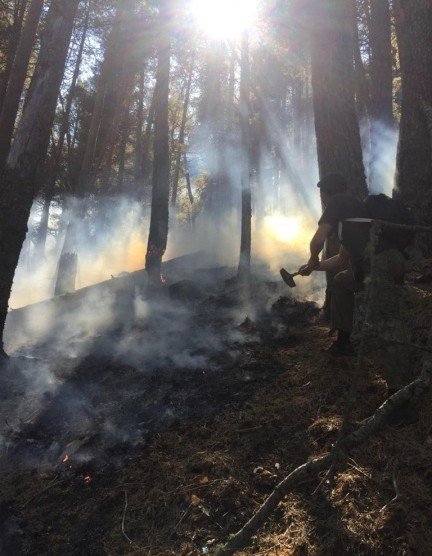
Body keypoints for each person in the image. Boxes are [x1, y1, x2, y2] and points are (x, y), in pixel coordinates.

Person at [293, 172, 406, 355]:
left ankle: (396, 379)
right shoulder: (355, 210)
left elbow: (317, 240)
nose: (322, 200)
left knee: (388, 322)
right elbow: (341, 260)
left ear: (325, 196)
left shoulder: (337, 202)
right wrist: (314, 267)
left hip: (380, 267)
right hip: (394, 263)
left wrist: (313, 257)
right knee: (340, 281)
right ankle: (343, 342)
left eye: (322, 195)